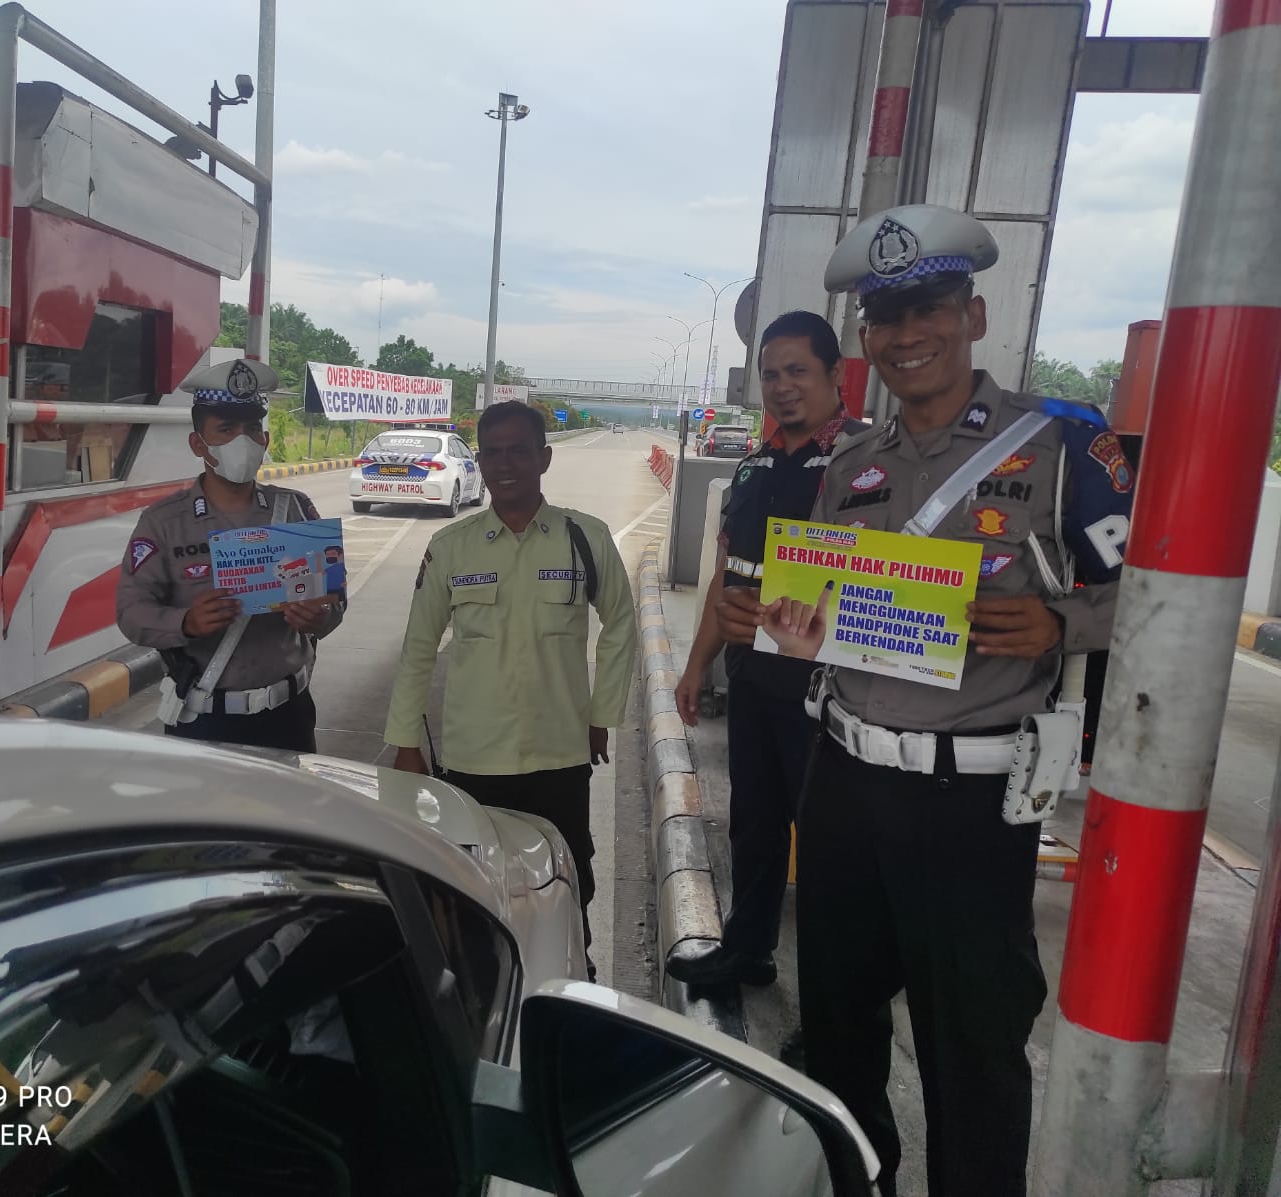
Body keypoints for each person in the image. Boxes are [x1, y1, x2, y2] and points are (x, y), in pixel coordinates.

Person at [717, 204, 1135, 1197]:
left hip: (969, 804)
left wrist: (1057, 624)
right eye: (886, 317)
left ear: (973, 313)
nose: (907, 335)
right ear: (866, 338)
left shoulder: (1060, 447)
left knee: (972, 1057)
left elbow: (1157, 593)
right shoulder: (852, 465)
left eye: (928, 309)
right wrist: (778, 622)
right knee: (839, 1033)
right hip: (843, 784)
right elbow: (823, 611)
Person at [384, 401, 638, 966]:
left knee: (569, 883)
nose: (505, 463)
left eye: (518, 450)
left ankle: (574, 975)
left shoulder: (585, 539)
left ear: (543, 458)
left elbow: (621, 621)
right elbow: (418, 648)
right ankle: (487, 990)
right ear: (480, 460)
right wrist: (404, 742)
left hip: (560, 755)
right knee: (475, 889)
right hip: (475, 760)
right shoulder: (451, 548)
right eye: (492, 451)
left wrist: (602, 713)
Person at [666, 311, 866, 991]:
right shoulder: (754, 467)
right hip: (755, 680)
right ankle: (747, 947)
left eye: (798, 371)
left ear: (837, 375)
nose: (783, 387)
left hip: (834, 694)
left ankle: (832, 1003)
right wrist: (697, 664)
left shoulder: (868, 464)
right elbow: (727, 576)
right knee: (753, 824)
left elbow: (885, 582)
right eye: (771, 374)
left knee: (834, 853)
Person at [115, 358, 343, 751]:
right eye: (226, 429)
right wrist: (185, 621)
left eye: (253, 428)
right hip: (204, 720)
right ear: (198, 444)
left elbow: (335, 602)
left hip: (289, 716)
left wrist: (320, 615)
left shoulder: (295, 510)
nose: (244, 439)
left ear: (265, 440)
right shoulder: (164, 522)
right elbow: (131, 613)